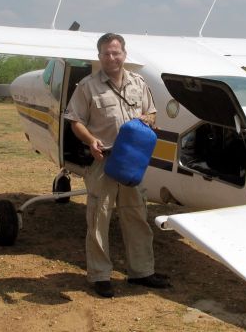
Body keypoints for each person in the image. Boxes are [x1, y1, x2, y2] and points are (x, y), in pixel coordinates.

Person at [64, 32, 170, 298]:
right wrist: (91, 141)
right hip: (103, 159)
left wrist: (148, 118)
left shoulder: (138, 82)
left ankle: (142, 272)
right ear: (99, 57)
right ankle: (100, 275)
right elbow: (75, 120)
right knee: (99, 217)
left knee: (136, 213)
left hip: (132, 159)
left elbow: (152, 111)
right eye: (106, 54)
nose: (112, 57)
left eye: (116, 52)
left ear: (124, 54)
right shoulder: (87, 86)